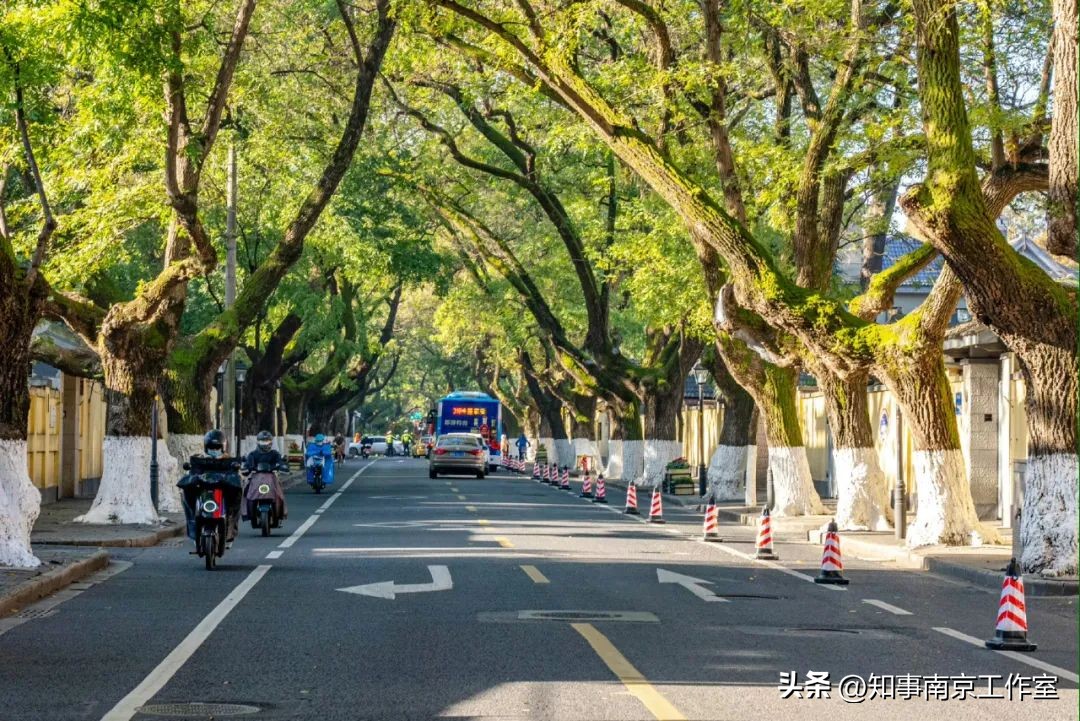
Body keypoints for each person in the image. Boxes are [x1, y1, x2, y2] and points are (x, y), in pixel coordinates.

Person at [178, 429, 243, 543]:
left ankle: (229, 529)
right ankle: (195, 525)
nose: (214, 450)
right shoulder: (199, 460)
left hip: (223, 499)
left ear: (223, 447)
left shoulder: (229, 462)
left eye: (217, 448)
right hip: (203, 495)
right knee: (187, 490)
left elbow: (236, 478)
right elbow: (193, 473)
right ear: (205, 447)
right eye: (211, 448)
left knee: (236, 494)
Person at [242, 430, 288, 522]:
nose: (264, 443)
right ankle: (247, 513)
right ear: (258, 442)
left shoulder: (275, 454)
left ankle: (281, 513)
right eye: (262, 441)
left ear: (271, 442)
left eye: (267, 441)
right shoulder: (253, 454)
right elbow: (247, 465)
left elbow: (280, 462)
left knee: (279, 492)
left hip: (272, 477)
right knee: (247, 490)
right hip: (256, 477)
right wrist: (246, 468)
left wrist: (282, 466)